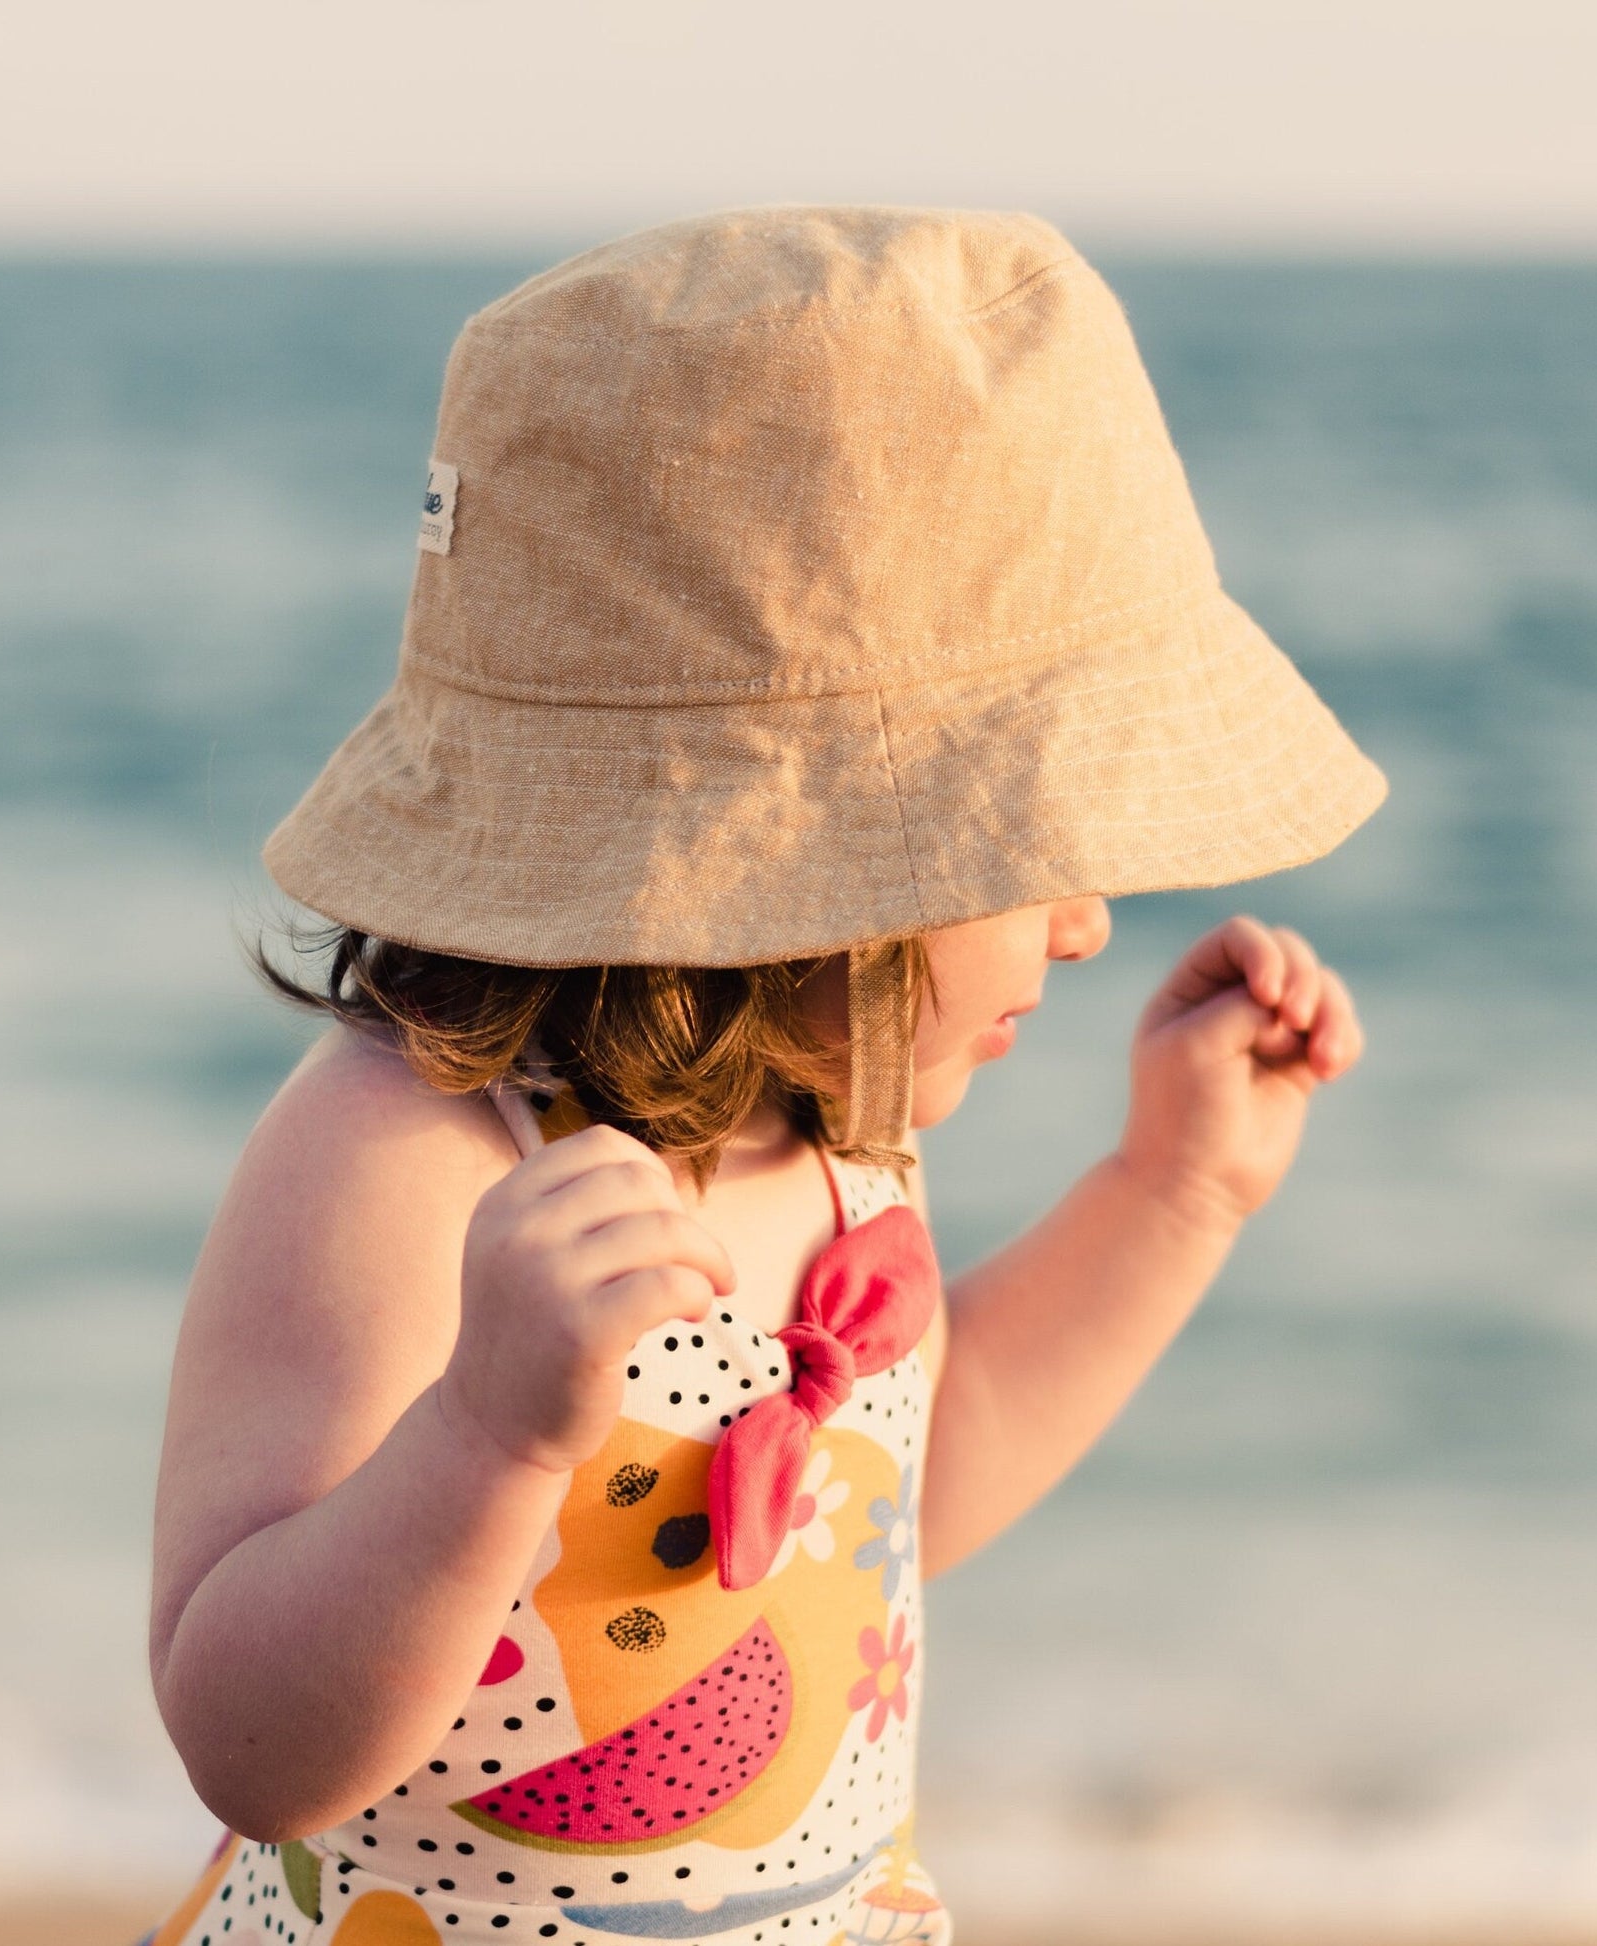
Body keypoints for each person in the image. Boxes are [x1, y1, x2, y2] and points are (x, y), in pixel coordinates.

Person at [134, 205, 1387, 1946]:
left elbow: (901, 1491)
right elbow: (248, 1744)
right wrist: (485, 1438)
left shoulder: (846, 1147)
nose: (1091, 923)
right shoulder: (406, 1155)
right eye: (1031, 852)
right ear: (791, 865)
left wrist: (1171, 1194)